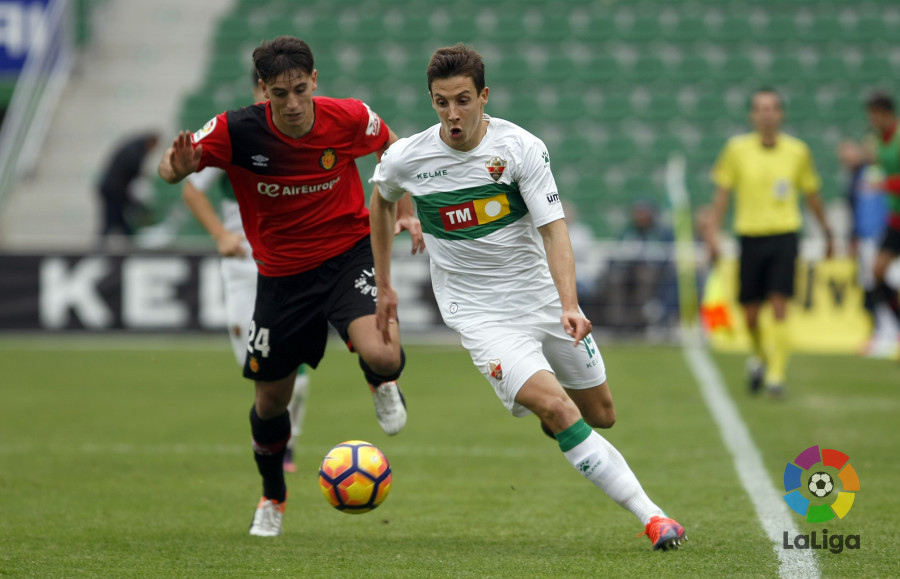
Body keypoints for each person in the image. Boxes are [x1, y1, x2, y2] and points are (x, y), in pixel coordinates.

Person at [369, 43, 687, 552]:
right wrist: (384, 283)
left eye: (463, 100)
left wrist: (569, 304)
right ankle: (654, 517)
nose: (452, 114)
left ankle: (556, 419)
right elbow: (381, 201)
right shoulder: (408, 157)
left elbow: (555, 230)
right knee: (561, 410)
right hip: (479, 315)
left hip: (539, 298)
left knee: (600, 415)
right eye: (441, 102)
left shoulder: (521, 149)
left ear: (484, 96)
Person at [158, 36, 424, 537]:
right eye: (281, 94)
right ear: (264, 90)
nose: (294, 103)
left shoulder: (346, 118)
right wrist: (176, 167)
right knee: (270, 404)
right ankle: (272, 497)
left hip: (348, 256)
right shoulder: (234, 130)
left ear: (315, 80)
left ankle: (380, 380)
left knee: (385, 354)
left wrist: (404, 204)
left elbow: (392, 146)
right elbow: (173, 171)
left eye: (301, 89)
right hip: (281, 278)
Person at [182, 70, 310, 474]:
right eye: (270, 89)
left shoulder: (304, 133)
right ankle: (273, 433)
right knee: (255, 364)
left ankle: (286, 444)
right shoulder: (237, 136)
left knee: (294, 364)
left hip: (290, 265)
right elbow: (190, 187)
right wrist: (221, 234)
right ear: (260, 90)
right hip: (242, 266)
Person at [707, 88, 834, 398]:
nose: (766, 114)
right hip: (749, 235)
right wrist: (712, 232)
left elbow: (812, 194)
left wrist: (827, 231)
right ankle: (761, 357)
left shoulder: (798, 152)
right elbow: (722, 195)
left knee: (779, 305)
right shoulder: (736, 150)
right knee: (750, 314)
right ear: (753, 115)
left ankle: (776, 376)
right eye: (760, 108)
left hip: (784, 235)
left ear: (781, 114)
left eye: (772, 108)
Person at [838, 139, 892, 355]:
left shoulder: (879, 173)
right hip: (867, 238)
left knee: (882, 284)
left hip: (882, 237)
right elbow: (858, 210)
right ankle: (882, 332)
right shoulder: (859, 175)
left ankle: (888, 332)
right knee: (871, 287)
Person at [863, 92, 900, 357]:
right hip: (895, 220)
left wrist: (883, 185)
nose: (873, 119)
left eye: (876, 114)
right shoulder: (878, 140)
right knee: (876, 272)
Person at [97, 131, 159, 241]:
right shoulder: (135, 152)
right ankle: (102, 247)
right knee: (113, 221)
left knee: (117, 222)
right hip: (113, 191)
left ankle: (109, 245)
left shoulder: (134, 148)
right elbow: (133, 173)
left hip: (114, 190)